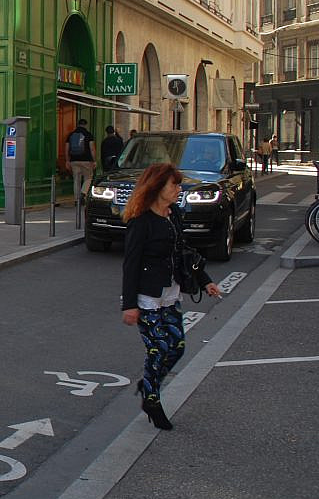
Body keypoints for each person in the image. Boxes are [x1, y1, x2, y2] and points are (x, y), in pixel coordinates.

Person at [121, 162, 222, 430]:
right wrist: (129, 305)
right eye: (174, 185)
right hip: (148, 297)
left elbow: (184, 251)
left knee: (177, 347)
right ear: (158, 187)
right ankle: (152, 400)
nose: (179, 189)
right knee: (160, 348)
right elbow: (130, 264)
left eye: (178, 184)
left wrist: (205, 281)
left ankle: (148, 383)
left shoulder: (173, 214)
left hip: (171, 293)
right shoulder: (140, 221)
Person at [65, 118, 96, 203]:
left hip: (74, 160)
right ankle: (83, 193)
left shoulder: (70, 135)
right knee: (89, 178)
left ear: (77, 124)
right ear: (85, 125)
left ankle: (76, 199)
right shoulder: (88, 134)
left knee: (76, 180)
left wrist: (67, 161)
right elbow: (92, 148)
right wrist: (94, 160)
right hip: (86, 160)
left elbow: (67, 148)